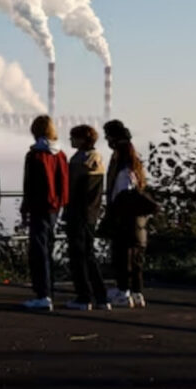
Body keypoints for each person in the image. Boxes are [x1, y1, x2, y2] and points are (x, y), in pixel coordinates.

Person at [19, 115, 68, 312]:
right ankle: (49, 291)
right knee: (48, 247)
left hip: (39, 206)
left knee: (38, 250)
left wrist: (25, 207)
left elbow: (29, 185)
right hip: (55, 207)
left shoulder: (34, 155)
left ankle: (43, 294)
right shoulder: (60, 154)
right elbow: (64, 182)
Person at [63, 125, 110, 311]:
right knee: (89, 255)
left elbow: (71, 189)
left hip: (77, 213)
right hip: (92, 213)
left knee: (77, 256)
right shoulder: (97, 160)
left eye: (73, 137)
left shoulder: (78, 162)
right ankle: (101, 296)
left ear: (82, 139)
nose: (71, 141)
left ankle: (83, 296)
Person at [104, 120, 149, 309]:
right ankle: (136, 292)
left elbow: (122, 192)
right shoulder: (134, 162)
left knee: (123, 255)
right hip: (138, 219)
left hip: (124, 217)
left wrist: (114, 211)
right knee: (136, 256)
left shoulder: (121, 163)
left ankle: (123, 292)